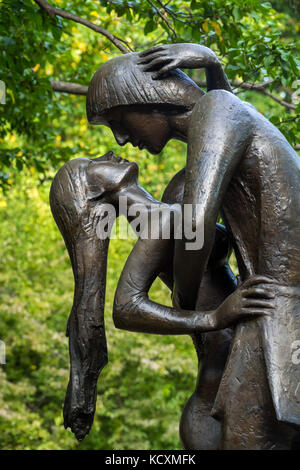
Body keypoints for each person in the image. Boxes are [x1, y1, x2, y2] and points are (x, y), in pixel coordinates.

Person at [86, 43, 300, 449]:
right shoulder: (221, 114)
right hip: (275, 305)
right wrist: (212, 61)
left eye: (119, 120)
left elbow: (198, 223)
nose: (122, 138)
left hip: (276, 307)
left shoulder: (215, 111)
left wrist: (189, 303)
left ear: (147, 98)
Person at [50, 152, 273, 443]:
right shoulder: (161, 221)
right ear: (92, 190)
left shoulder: (165, 211)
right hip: (217, 397)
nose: (108, 153)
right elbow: (126, 308)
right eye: (93, 163)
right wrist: (216, 316)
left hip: (235, 372)